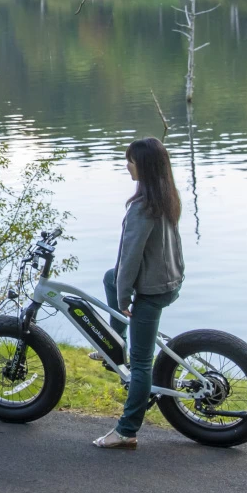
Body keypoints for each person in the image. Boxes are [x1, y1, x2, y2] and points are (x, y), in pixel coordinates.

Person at [94, 136, 186, 449]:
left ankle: (126, 430)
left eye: (131, 161)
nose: (127, 166)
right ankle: (114, 343)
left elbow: (130, 256)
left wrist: (124, 298)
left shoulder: (141, 207)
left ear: (144, 166)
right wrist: (120, 285)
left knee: (142, 363)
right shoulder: (166, 197)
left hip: (152, 290)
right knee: (110, 277)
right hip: (169, 278)